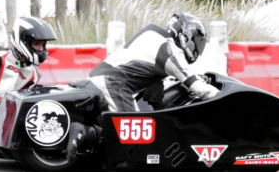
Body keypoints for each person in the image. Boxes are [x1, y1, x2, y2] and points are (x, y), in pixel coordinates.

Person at [67, 12, 220, 158]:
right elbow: (196, 86)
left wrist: (156, 83)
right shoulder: (170, 51)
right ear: (184, 35)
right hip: (115, 84)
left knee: (132, 131)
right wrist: (221, 98)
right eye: (196, 42)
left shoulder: (151, 33)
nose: (196, 50)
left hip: (100, 78)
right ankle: (85, 133)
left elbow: (143, 69)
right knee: (135, 139)